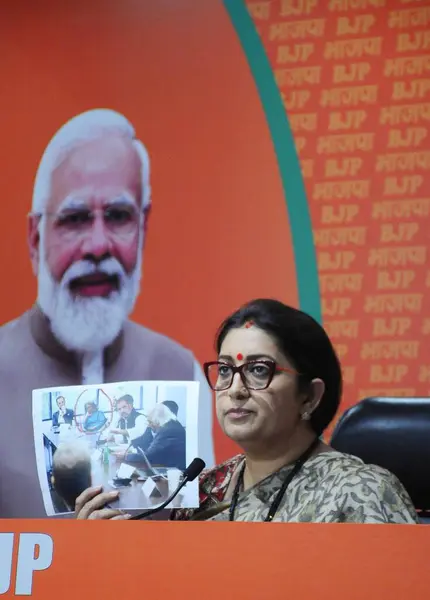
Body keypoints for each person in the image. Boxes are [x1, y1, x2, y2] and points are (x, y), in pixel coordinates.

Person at [0, 109, 214, 517]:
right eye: (75, 219)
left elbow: (199, 531)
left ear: (143, 227)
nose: (98, 246)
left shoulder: (178, 371)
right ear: (35, 236)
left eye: (117, 217)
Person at [75, 299, 418, 524]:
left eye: (258, 370)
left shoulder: (362, 491)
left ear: (309, 397)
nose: (235, 390)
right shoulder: (201, 489)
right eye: (225, 370)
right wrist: (111, 547)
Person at [114, 403, 186, 471]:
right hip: (168, 466)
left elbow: (148, 456)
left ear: (158, 420)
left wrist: (126, 456)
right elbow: (151, 449)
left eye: (150, 422)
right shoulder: (171, 425)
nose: (149, 425)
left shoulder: (167, 431)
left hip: (174, 471)